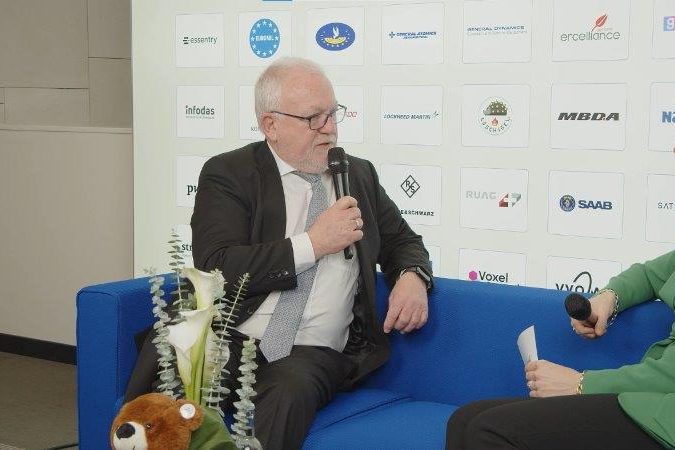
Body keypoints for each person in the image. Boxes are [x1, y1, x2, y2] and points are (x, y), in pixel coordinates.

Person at [189, 57, 432, 450]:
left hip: (312, 351)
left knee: (289, 389)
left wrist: (412, 276)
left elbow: (403, 241)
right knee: (174, 381)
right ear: (270, 125)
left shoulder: (358, 175)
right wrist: (314, 243)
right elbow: (217, 267)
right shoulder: (230, 173)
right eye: (313, 118)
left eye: (333, 114)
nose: (330, 128)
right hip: (234, 336)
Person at [446, 250, 675, 449]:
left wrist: (581, 384)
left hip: (665, 418)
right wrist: (608, 298)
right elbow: (651, 274)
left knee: (488, 432)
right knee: (463, 421)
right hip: (651, 401)